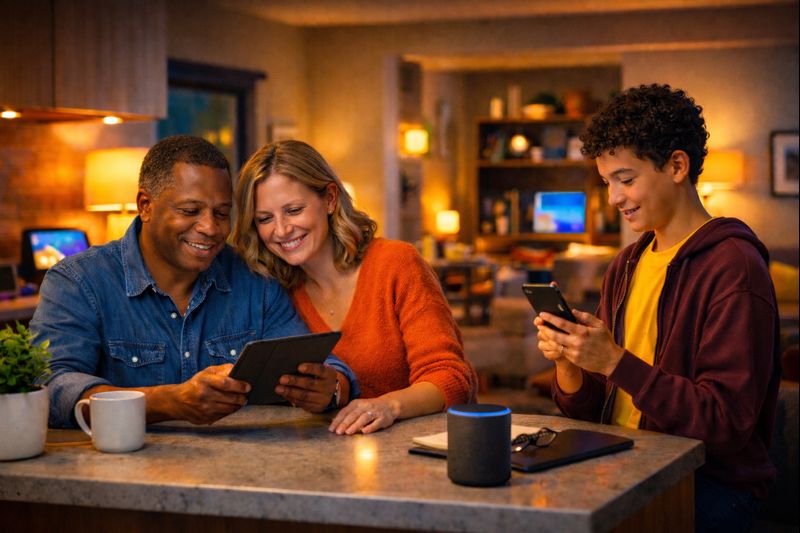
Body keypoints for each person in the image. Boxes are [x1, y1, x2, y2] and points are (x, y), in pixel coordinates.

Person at [534, 84, 780, 532]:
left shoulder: (734, 267)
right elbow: (596, 412)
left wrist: (615, 361)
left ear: (677, 166)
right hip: (624, 465)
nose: (613, 198)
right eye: (607, 182)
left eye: (626, 180)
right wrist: (571, 364)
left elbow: (725, 424)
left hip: (709, 484)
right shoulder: (627, 264)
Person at [31, 135, 358, 428]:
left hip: (242, 476)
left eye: (221, 213)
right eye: (190, 210)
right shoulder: (79, 282)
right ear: (145, 205)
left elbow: (320, 364)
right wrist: (166, 402)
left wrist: (329, 387)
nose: (210, 228)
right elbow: (50, 386)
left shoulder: (254, 279)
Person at [231, 140, 477, 435]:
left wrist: (387, 406)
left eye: (294, 210)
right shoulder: (276, 292)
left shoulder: (396, 263)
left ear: (331, 199)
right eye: (265, 219)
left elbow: (452, 378)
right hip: (338, 458)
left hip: (427, 450)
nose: (282, 230)